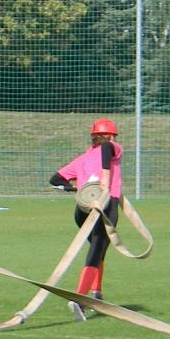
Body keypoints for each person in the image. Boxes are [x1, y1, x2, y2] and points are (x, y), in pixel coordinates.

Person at [49, 117, 123, 321]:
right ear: (110, 136)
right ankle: (80, 299)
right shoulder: (113, 148)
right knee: (98, 247)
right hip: (105, 203)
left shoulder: (82, 159)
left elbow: (55, 179)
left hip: (81, 209)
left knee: (98, 248)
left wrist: (74, 188)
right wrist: (105, 179)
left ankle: (96, 293)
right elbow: (108, 147)